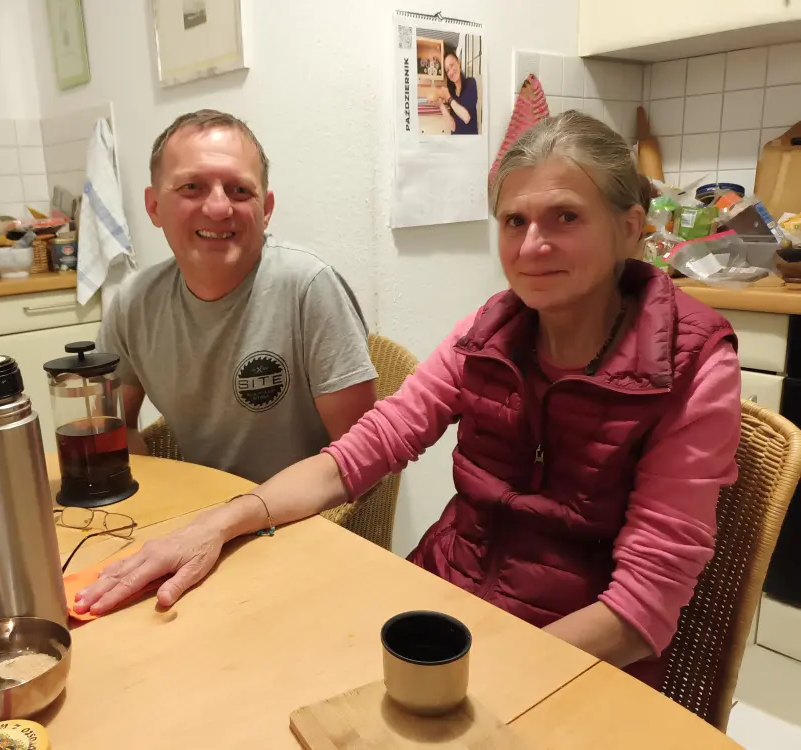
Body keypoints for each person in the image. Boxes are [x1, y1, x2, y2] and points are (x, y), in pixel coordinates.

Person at [76, 112, 741, 688]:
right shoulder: (490, 331)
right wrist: (218, 524)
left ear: (630, 228)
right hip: (441, 602)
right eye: (514, 220)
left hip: (574, 652)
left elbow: (643, 608)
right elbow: (356, 455)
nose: (532, 246)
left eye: (564, 217)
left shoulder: (695, 363)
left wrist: (477, 676)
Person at [96, 110, 377, 484]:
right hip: (201, 514)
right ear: (154, 206)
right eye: (191, 187)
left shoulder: (309, 288)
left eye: (240, 190)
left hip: (307, 521)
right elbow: (115, 427)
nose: (218, 208)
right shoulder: (134, 301)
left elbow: (361, 458)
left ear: (267, 210)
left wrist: (238, 517)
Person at [438, 50, 479, 135]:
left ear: (459, 63)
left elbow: (466, 118)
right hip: (456, 143)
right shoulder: (452, 94)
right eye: (447, 70)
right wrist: (440, 105)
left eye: (452, 65)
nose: (451, 72)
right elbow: (453, 127)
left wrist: (448, 98)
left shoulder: (471, 83)